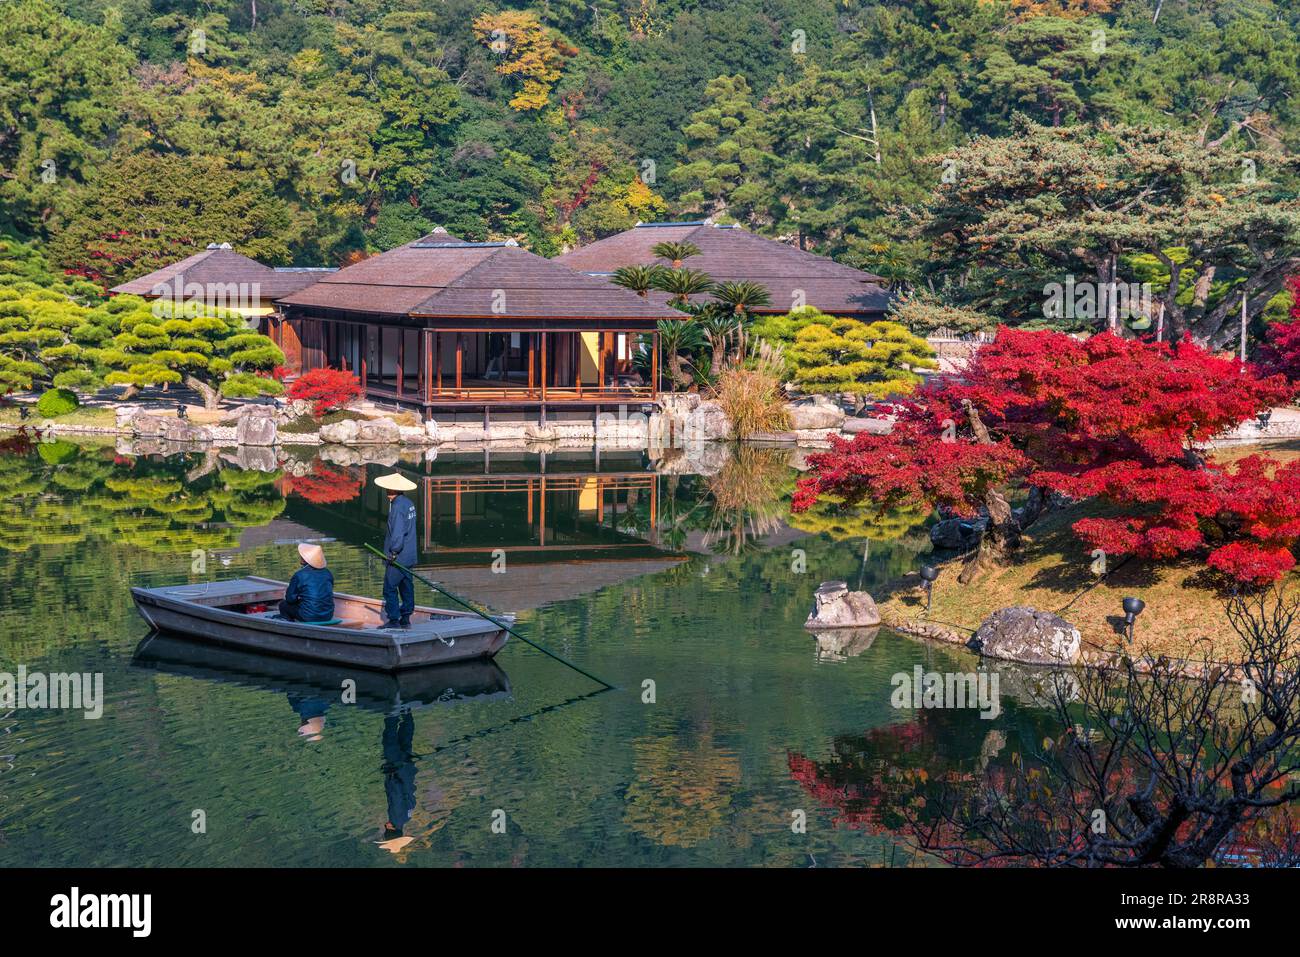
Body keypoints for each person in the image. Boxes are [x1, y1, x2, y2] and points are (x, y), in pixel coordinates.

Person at [375, 472, 418, 629]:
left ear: (391, 490)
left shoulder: (398, 507)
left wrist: (393, 552)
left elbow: (398, 533)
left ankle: (394, 620)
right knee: (407, 586)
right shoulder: (409, 503)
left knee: (390, 587)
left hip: (399, 556)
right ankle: (406, 618)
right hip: (410, 554)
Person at [279, 543, 335, 623]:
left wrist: (298, 598)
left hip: (308, 616)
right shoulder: (328, 573)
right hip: (328, 615)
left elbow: (290, 599)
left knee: (283, 605)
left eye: (302, 555)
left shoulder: (299, 574)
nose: (300, 557)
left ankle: (290, 625)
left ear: (305, 560)